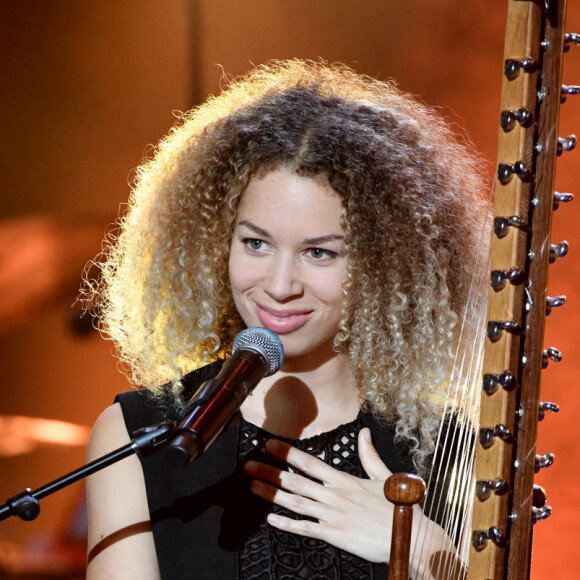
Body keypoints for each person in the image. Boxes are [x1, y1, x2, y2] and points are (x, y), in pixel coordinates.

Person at [85, 59, 488, 579]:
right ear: (217, 242)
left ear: (385, 265)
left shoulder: (447, 449)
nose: (278, 285)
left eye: (319, 253)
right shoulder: (139, 436)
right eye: (256, 243)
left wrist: (419, 549)